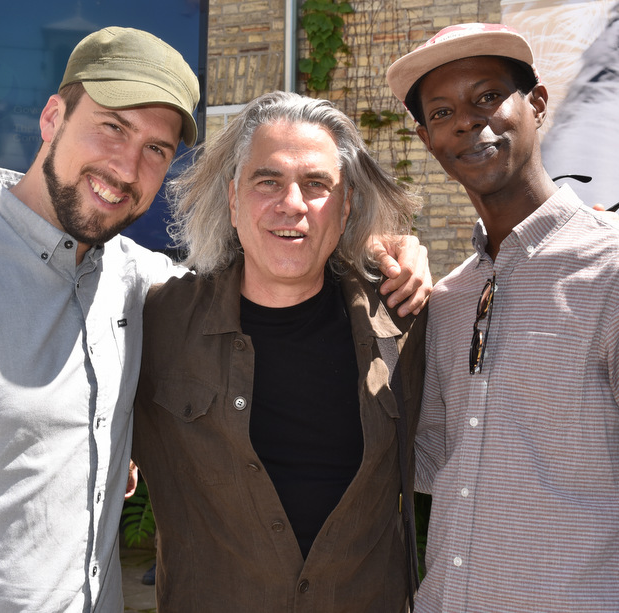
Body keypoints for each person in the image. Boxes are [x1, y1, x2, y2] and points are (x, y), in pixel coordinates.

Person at [0, 28, 428, 613]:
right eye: (111, 127)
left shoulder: (136, 282)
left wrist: (384, 245)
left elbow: (285, 251)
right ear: (52, 118)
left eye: (155, 150)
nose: (126, 167)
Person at [385, 23, 619, 612]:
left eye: (487, 97)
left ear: (538, 104)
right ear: (427, 138)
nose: (468, 121)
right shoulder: (449, 299)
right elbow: (435, 465)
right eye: (443, 111)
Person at [130, 91, 425, 612]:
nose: (292, 204)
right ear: (233, 200)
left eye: (316, 184)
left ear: (346, 205)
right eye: (268, 181)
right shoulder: (153, 320)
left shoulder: (404, 325)